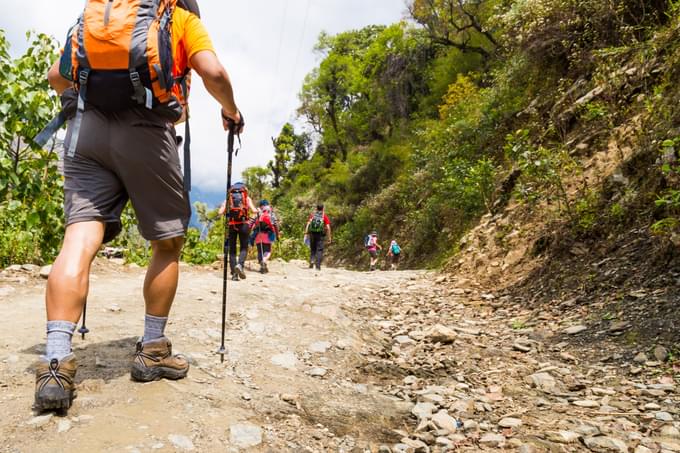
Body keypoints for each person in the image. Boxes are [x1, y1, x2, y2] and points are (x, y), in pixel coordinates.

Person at [35, 2, 243, 412]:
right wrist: (231, 110)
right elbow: (213, 72)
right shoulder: (179, 19)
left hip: (85, 133)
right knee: (167, 242)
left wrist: (89, 106)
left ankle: (55, 362)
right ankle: (151, 350)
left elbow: (57, 76)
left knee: (79, 237)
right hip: (147, 132)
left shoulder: (97, 16)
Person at [219, 182, 257, 281]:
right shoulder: (246, 198)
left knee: (232, 249)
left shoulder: (228, 198)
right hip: (244, 225)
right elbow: (254, 210)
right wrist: (257, 210)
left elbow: (220, 212)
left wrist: (225, 210)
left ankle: (234, 274)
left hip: (231, 225)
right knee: (244, 247)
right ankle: (240, 265)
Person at [252, 200, 279, 274]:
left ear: (260, 206)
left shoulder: (257, 213)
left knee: (260, 251)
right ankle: (264, 262)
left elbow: (251, 222)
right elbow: (275, 224)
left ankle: (262, 266)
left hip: (258, 234)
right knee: (267, 250)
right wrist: (277, 234)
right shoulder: (271, 213)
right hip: (268, 234)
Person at [304, 204, 331, 271]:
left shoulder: (313, 215)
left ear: (316, 208)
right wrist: (329, 237)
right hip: (320, 234)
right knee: (319, 249)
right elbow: (327, 227)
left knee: (313, 248)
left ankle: (312, 261)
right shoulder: (324, 216)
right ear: (323, 208)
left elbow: (308, 223)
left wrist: (306, 233)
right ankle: (318, 266)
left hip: (312, 233)